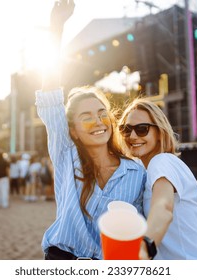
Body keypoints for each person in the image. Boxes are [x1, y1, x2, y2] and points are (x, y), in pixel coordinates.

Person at [35, 0, 146, 260]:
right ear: (72, 130)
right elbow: (50, 95)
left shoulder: (135, 171)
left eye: (102, 114)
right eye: (86, 117)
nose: (97, 122)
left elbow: (141, 227)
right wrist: (56, 28)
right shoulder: (65, 152)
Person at [118, 98, 197, 260]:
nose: (132, 135)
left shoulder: (162, 161)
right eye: (126, 129)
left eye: (142, 129)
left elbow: (164, 207)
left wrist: (144, 247)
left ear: (159, 133)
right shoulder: (144, 172)